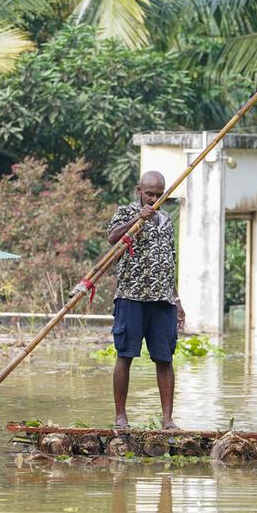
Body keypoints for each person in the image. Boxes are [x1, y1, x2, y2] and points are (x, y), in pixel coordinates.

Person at [106, 170, 185, 430]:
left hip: (162, 299)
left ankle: (168, 420)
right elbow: (113, 238)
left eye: (158, 195)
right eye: (149, 194)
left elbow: (169, 261)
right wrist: (137, 220)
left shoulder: (166, 220)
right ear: (139, 190)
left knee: (165, 358)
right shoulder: (126, 212)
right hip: (132, 296)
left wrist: (176, 300)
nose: (153, 199)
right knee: (125, 354)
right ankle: (120, 417)